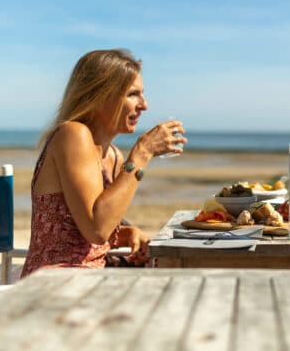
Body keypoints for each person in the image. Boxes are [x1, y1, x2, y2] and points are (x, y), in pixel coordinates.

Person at [21, 49, 187, 276]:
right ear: (100, 96)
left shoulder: (113, 156)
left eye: (142, 94)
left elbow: (98, 227)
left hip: (93, 274)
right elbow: (96, 229)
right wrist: (142, 153)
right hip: (54, 279)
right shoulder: (72, 134)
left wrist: (123, 234)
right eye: (132, 94)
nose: (144, 105)